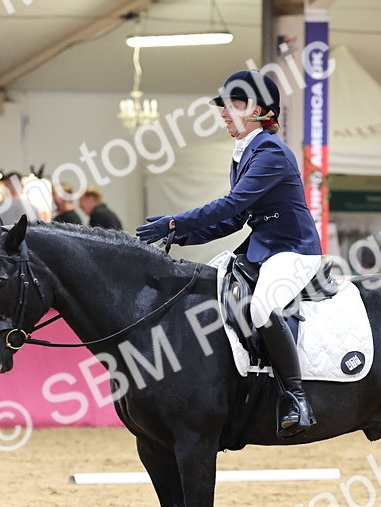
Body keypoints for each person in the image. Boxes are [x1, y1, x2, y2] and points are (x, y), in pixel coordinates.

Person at [135, 69, 320, 437]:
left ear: (257, 110)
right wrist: (181, 238)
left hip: (292, 249)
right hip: (260, 248)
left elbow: (232, 204)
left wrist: (174, 222)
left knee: (263, 305)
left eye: (232, 105)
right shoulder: (244, 153)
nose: (223, 113)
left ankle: (296, 398)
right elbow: (234, 221)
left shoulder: (270, 152)